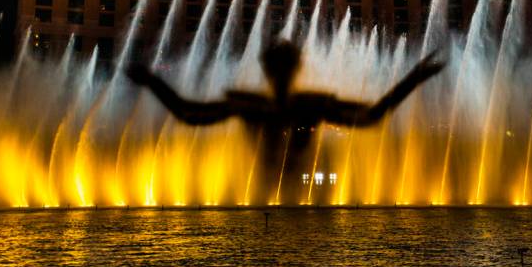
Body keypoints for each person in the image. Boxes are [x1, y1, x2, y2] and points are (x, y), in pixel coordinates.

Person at [126, 40, 444, 177]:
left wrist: (153, 83)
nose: (280, 73)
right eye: (277, 67)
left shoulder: (298, 105)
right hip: (272, 195)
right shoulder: (261, 105)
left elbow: (187, 113)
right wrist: (152, 83)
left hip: (299, 195)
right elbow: (188, 114)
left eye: (284, 66)